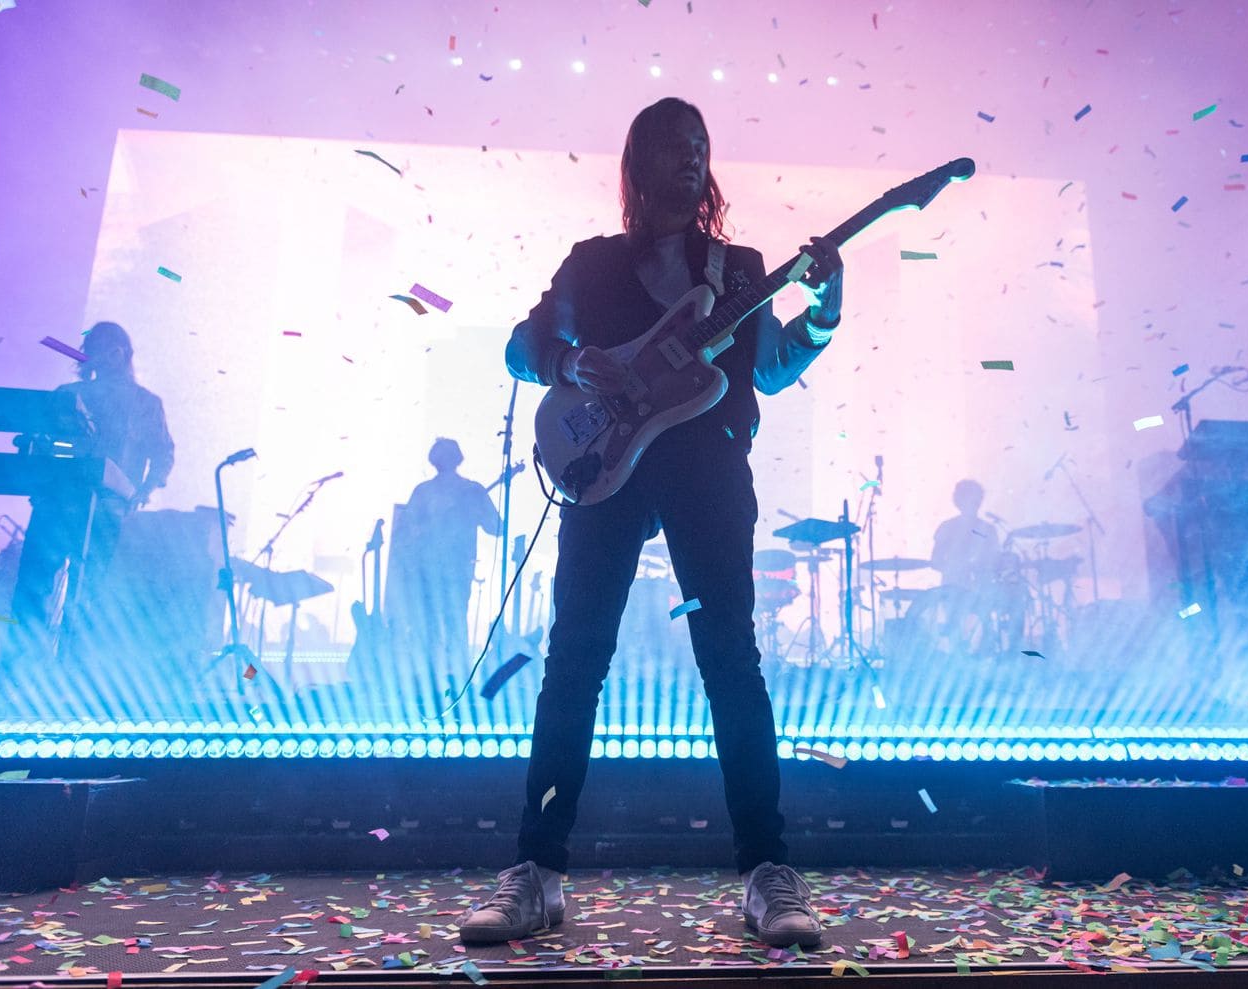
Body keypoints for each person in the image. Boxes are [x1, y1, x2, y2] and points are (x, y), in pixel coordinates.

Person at [456, 97, 844, 949]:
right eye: (673, 146)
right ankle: (539, 871)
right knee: (577, 659)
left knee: (732, 663)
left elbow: (773, 371)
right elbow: (525, 350)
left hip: (707, 471)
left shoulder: (741, 269)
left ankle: (766, 872)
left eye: (701, 145)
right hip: (605, 470)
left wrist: (825, 309)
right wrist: (568, 360)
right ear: (638, 163)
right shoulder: (592, 266)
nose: (691, 159)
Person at [7, 321, 174, 663]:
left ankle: (69, 672)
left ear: (118, 354)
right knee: (36, 590)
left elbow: (162, 454)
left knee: (87, 596)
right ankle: (25, 671)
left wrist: (143, 490)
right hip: (58, 504)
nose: (88, 358)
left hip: (105, 509)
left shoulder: (145, 404)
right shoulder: (68, 395)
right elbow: (40, 438)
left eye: (96, 350)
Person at [389, 438, 499, 696]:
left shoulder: (468, 491)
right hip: (433, 571)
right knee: (444, 625)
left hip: (450, 571)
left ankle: (448, 679)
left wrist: (476, 506)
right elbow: (405, 532)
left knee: (445, 625)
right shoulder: (428, 491)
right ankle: (447, 680)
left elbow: (496, 527)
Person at [925, 480, 1022, 655]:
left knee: (985, 629)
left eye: (976, 499)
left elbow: (996, 562)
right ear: (959, 501)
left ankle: (989, 652)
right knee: (956, 631)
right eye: (969, 498)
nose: (973, 503)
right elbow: (935, 561)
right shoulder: (947, 528)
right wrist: (957, 568)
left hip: (982, 588)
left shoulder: (988, 529)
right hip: (954, 587)